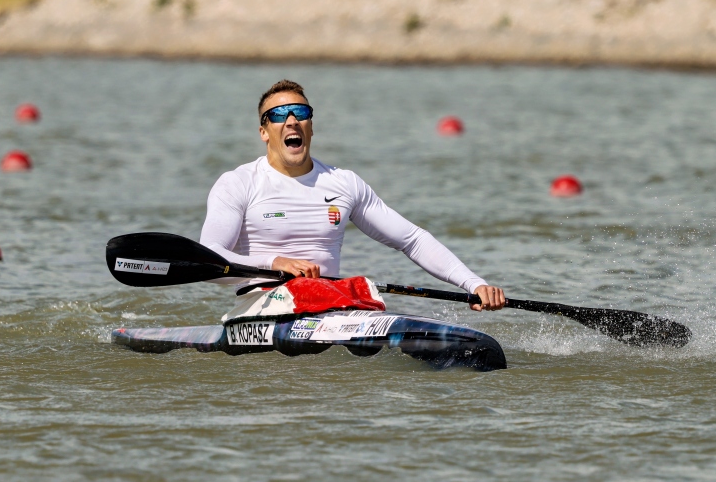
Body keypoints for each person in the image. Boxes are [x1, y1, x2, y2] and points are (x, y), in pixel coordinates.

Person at [199, 79, 505, 311]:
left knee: (363, 293)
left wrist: (474, 284)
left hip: (328, 304)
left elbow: (412, 239)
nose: (292, 120)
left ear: (311, 127)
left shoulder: (343, 183)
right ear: (264, 132)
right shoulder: (238, 183)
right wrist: (275, 262)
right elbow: (208, 259)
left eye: (301, 112)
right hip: (261, 303)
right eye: (278, 115)